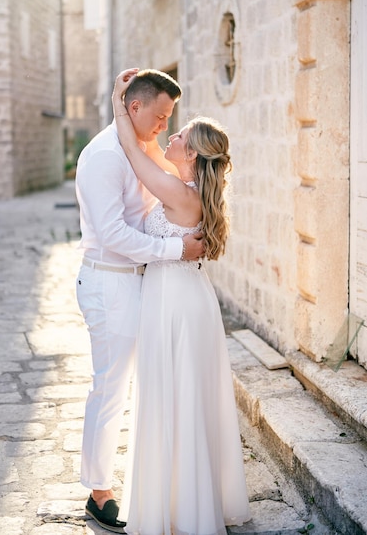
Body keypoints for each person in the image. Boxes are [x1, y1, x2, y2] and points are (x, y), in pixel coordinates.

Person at [112, 69, 251, 535]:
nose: (171, 133)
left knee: (179, 399)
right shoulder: (184, 187)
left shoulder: (177, 192)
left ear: (190, 154)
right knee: (183, 397)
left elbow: (135, 153)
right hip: (182, 297)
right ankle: (182, 503)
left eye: (181, 133)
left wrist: (118, 101)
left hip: (175, 303)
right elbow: (150, 148)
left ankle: (183, 513)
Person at [75, 68, 205, 533]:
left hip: (142, 283)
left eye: (171, 118)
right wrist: (176, 249)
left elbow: (188, 184)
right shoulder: (103, 158)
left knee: (135, 388)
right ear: (135, 107)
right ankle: (98, 492)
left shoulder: (143, 147)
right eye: (160, 115)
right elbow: (112, 233)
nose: (164, 127)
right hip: (110, 283)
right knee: (110, 388)